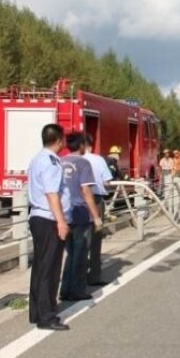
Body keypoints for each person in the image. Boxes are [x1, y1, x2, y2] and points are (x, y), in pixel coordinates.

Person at [26, 124, 71, 331]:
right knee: (49, 269)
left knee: (40, 268)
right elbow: (52, 194)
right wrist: (61, 221)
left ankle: (37, 312)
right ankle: (47, 316)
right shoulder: (51, 162)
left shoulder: (38, 159)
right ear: (59, 140)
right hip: (48, 219)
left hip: (39, 217)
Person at [59, 132, 103, 303]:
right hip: (80, 213)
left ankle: (65, 289)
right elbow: (86, 191)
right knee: (80, 253)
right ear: (82, 144)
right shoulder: (83, 163)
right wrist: (96, 216)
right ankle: (76, 290)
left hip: (65, 213)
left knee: (69, 253)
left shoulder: (61, 162)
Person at [83, 134, 113, 287]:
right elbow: (107, 182)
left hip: (76, 202)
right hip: (95, 199)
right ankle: (94, 276)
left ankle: (76, 276)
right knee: (95, 239)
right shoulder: (98, 159)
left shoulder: (68, 160)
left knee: (79, 240)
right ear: (90, 145)